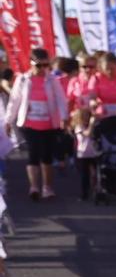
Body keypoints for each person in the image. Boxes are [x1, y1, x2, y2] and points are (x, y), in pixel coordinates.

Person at [12, 50, 66, 200]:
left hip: (48, 123)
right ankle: (34, 186)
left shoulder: (52, 80)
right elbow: (15, 100)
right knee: (33, 153)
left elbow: (61, 99)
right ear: (31, 64)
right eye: (39, 65)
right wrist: (9, 120)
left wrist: (64, 117)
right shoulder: (23, 80)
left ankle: (47, 187)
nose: (43, 69)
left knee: (47, 155)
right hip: (29, 123)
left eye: (46, 65)